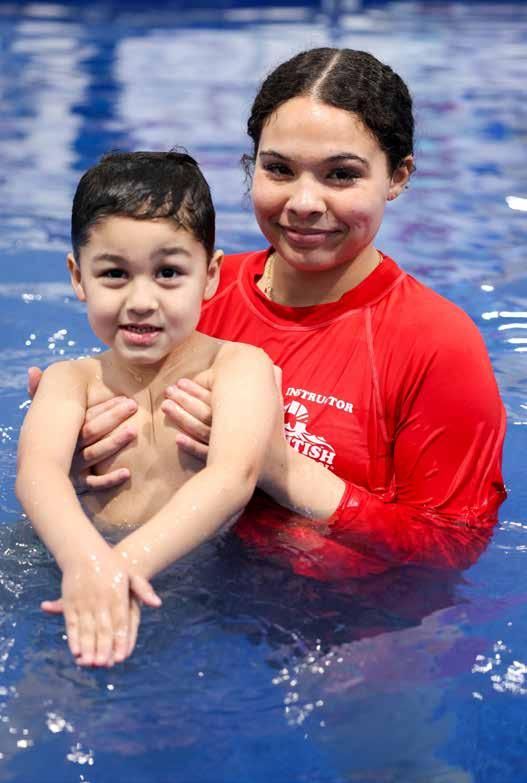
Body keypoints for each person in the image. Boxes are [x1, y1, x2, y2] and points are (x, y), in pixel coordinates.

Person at [28, 48, 507, 583]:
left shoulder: (436, 343)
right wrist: (84, 462)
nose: (304, 202)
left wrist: (281, 469)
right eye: (279, 169)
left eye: (341, 175)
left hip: (335, 612)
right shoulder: (182, 290)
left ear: (397, 177)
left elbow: (452, 547)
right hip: (170, 581)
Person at [17, 150, 344, 668]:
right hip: (74, 567)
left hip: (201, 586)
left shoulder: (237, 367)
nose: (141, 300)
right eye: (114, 274)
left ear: (210, 276)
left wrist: (125, 566)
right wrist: (85, 562)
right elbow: (39, 472)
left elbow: (234, 475)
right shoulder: (70, 380)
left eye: (168, 272)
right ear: (78, 278)